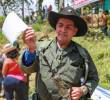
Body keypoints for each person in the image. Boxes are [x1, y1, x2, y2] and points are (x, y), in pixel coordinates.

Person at [21, 7, 99, 100]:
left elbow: (94, 78)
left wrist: (83, 90)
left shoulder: (82, 54)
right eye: (60, 25)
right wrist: (31, 50)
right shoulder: (41, 48)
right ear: (56, 27)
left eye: (68, 27)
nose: (63, 30)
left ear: (75, 31)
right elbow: (27, 70)